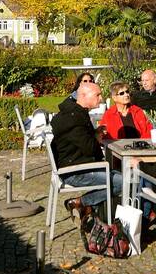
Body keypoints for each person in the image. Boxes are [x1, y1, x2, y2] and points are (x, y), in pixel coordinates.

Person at [51, 80, 122, 214]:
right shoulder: (74, 118)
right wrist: (97, 137)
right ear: (83, 96)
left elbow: (82, 141)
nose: (101, 98)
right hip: (75, 172)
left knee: (124, 175)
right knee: (125, 182)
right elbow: (89, 148)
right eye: (97, 95)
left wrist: (94, 133)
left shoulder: (76, 113)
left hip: (77, 164)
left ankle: (88, 209)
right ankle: (81, 203)